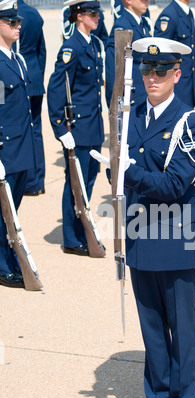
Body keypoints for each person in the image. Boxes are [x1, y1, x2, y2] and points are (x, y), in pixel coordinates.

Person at [101, 37, 195, 398]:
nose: (152, 78)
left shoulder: (191, 122)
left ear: (177, 75)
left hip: (176, 238)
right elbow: (125, 179)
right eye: (147, 71)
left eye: (161, 71)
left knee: (181, 328)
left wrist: (126, 170)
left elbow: (175, 182)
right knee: (151, 328)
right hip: (140, 236)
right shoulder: (130, 118)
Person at [47, 0, 105, 256]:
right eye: (93, 14)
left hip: (93, 126)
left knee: (89, 181)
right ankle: (71, 238)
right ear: (79, 16)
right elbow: (56, 87)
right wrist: (60, 129)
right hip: (79, 128)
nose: (98, 18)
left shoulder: (92, 43)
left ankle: (81, 228)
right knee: (75, 183)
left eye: (98, 13)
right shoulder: (71, 47)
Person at [0, 0, 37, 287]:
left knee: (14, 210)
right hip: (7, 149)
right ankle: (2, 265)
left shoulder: (19, 59)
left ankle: (8, 256)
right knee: (3, 212)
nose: (18, 26)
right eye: (11, 22)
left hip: (23, 148)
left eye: (18, 22)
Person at [13, 0, 46, 196]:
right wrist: (37, 77)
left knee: (18, 131)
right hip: (34, 78)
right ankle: (37, 181)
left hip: (17, 79)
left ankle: (24, 181)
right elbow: (41, 51)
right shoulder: (34, 13)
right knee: (35, 131)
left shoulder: (10, 13)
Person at [105, 0, 151, 109]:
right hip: (131, 102)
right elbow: (114, 71)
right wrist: (116, 108)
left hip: (144, 97)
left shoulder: (143, 24)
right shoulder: (123, 26)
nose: (147, 1)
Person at [154, 0, 195, 108]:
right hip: (176, 86)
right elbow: (160, 54)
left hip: (188, 83)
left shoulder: (188, 13)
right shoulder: (169, 14)